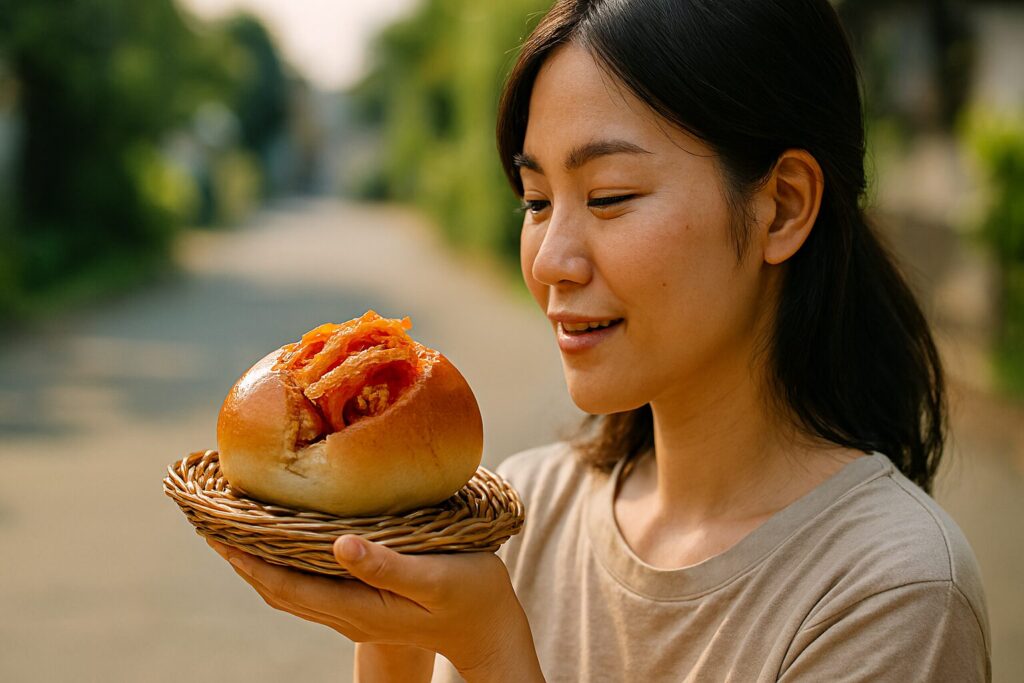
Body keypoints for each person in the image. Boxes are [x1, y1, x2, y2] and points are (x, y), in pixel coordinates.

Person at [208, 0, 991, 680]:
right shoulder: (525, 507)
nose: (550, 261)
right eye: (538, 199)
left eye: (610, 197)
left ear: (781, 207)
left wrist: (493, 655)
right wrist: (388, 638)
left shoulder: (890, 590)